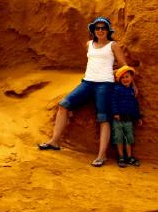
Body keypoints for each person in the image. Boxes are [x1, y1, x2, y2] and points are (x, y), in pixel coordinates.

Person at [38, 16, 128, 166]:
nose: (100, 30)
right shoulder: (89, 44)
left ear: (108, 30)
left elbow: (124, 65)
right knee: (64, 104)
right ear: (93, 30)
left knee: (104, 118)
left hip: (104, 85)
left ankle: (102, 155)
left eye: (103, 28)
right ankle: (54, 141)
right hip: (87, 82)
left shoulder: (113, 45)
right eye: (97, 28)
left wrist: (112, 73)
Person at [111, 65, 143, 167]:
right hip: (118, 118)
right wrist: (116, 113)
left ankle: (129, 157)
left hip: (129, 118)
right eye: (123, 77)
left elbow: (135, 105)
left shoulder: (132, 91)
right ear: (119, 79)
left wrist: (138, 117)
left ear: (132, 78)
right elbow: (113, 101)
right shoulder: (117, 89)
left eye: (127, 76)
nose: (125, 79)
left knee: (129, 137)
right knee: (118, 137)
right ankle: (121, 156)